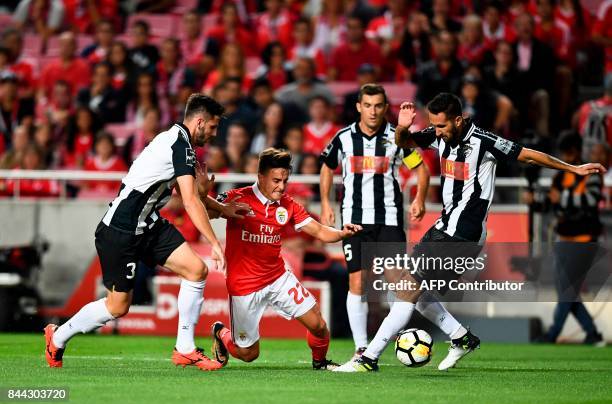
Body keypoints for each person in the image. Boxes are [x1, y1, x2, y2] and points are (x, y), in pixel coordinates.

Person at [334, 92, 606, 372]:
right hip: (443, 227)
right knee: (414, 290)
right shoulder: (440, 135)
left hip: (462, 233)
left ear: (459, 120)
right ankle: (461, 337)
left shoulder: (484, 142)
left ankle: (367, 359)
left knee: (405, 289)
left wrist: (573, 168)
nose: (437, 132)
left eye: (441, 126)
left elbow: (529, 156)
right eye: (434, 126)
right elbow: (404, 144)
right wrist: (403, 127)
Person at [44, 94, 249, 371]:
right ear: (199, 122)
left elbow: (187, 194)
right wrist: (215, 242)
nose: (214, 134)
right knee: (118, 307)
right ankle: (57, 337)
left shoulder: (178, 141)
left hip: (148, 225)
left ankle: (185, 349)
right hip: (121, 229)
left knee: (195, 270)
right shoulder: (180, 145)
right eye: (212, 127)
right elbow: (189, 200)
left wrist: (223, 210)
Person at [207, 148, 362, 370]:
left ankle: (320, 363)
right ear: (260, 177)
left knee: (318, 325)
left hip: (277, 277)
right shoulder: (236, 196)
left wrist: (341, 233)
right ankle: (221, 332)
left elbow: (318, 231)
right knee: (248, 354)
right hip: (244, 284)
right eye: (276, 180)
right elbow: (208, 211)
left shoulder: (287, 204)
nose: (281, 186)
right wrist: (204, 196)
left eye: (285, 181)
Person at [320, 83, 441, 361]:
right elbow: (327, 167)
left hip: (388, 219)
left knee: (400, 283)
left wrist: (420, 199)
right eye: (368, 105)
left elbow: (421, 171)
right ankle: (361, 348)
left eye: (378, 106)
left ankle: (453, 331)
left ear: (385, 108)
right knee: (358, 282)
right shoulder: (343, 138)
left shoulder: (397, 139)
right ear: (358, 107)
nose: (373, 111)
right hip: (354, 220)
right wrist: (326, 204)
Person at [541, 133, 605, 346]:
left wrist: (564, 198)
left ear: (577, 151)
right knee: (567, 292)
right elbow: (552, 204)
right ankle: (592, 334)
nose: (565, 156)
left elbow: (592, 200)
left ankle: (552, 334)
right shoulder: (559, 175)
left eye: (568, 152)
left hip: (585, 239)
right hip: (563, 238)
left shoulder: (591, 173)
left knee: (567, 291)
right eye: (563, 153)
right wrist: (537, 201)